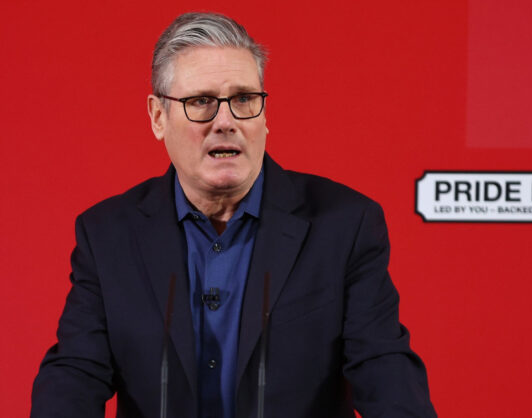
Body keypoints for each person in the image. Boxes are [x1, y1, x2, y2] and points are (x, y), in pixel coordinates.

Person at [31, 12, 436, 418]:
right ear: (158, 117)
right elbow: (75, 373)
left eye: (243, 99)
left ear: (264, 114)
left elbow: (385, 368)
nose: (225, 122)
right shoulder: (108, 235)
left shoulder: (345, 225)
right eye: (201, 102)